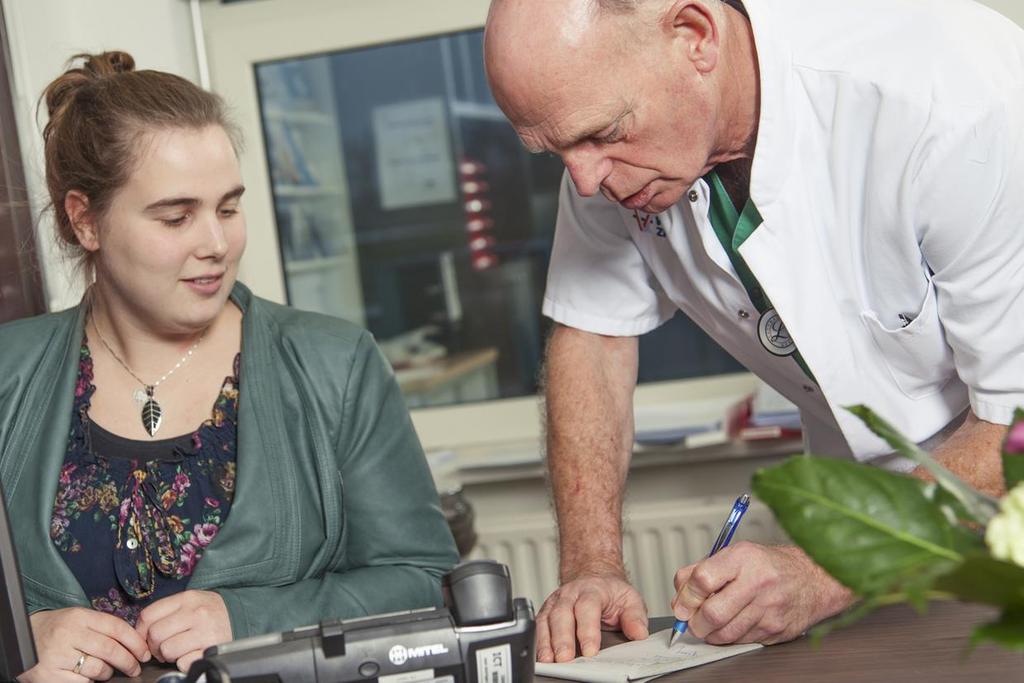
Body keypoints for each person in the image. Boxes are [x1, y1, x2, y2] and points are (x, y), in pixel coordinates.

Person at [484, 0, 1024, 663]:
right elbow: (593, 338)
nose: (587, 180)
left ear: (693, 36)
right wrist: (590, 565)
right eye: (556, 151)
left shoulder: (952, 98)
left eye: (603, 133)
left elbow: (1014, 425)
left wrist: (828, 567)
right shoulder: (607, 154)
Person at [0, 51, 458, 682]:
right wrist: (18, 639)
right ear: (86, 220)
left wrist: (247, 619)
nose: (215, 244)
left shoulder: (334, 363)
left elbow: (426, 582)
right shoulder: (7, 372)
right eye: (176, 215)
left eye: (227, 208)